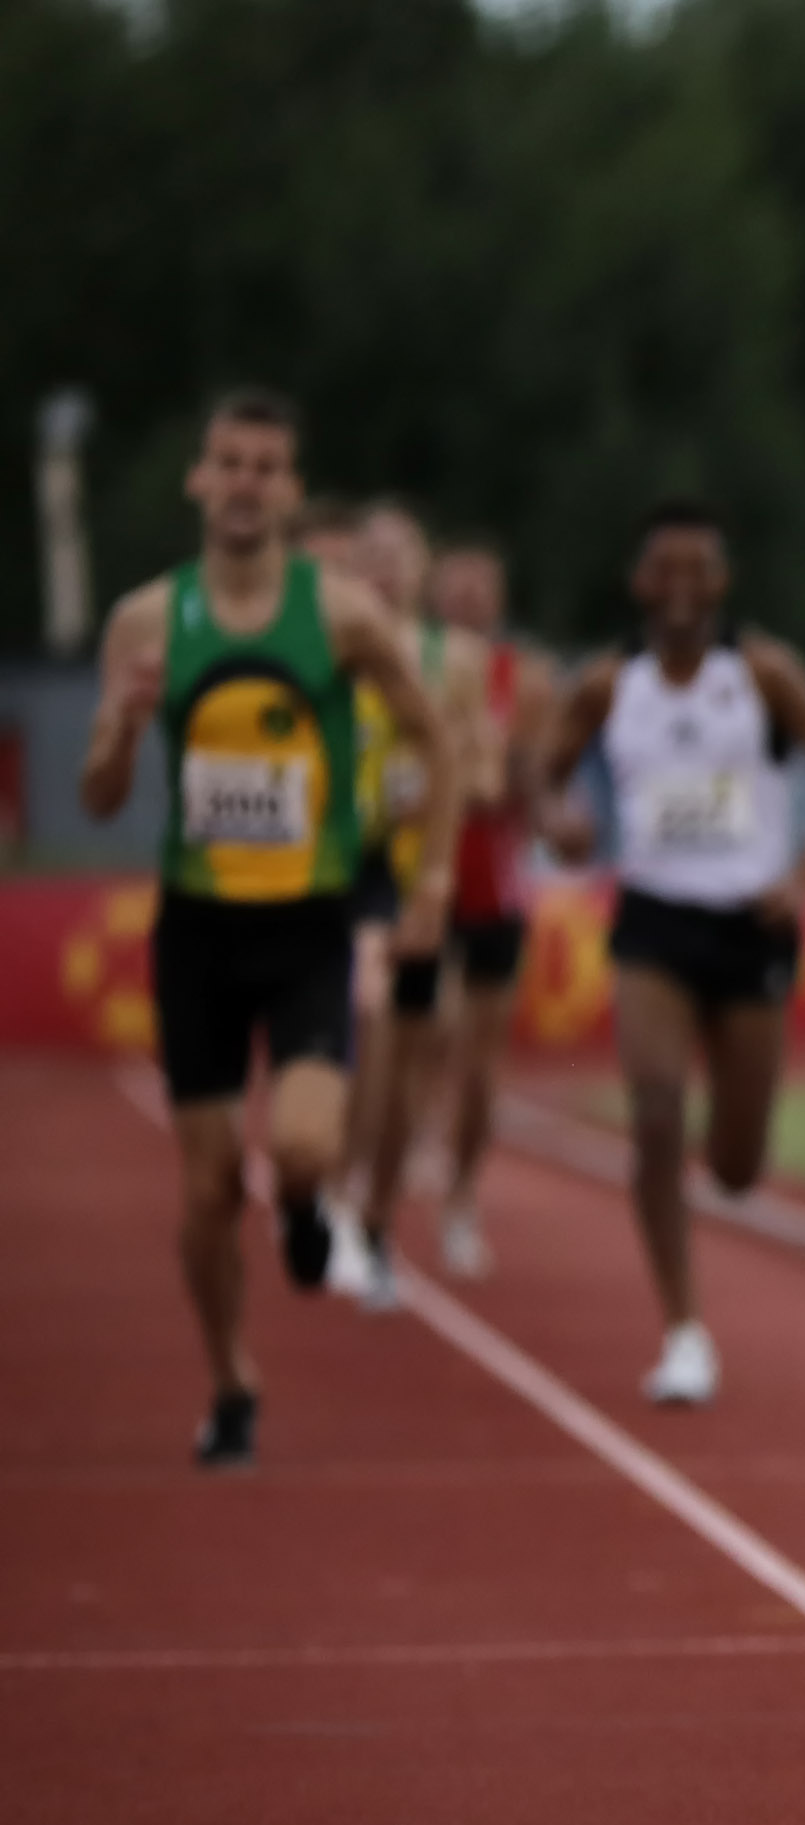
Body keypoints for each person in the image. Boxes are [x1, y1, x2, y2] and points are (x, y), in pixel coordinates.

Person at [78, 391, 455, 1465]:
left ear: (291, 490)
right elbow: (101, 795)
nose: (244, 483)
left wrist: (426, 889)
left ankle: (303, 1207)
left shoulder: (340, 616)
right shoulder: (149, 619)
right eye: (227, 463)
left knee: (297, 1147)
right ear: (200, 479)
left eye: (265, 467)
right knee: (202, 1186)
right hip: (196, 930)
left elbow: (437, 743)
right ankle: (232, 1376)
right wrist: (118, 726)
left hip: (305, 924)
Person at [539, 503, 805, 1406]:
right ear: (640, 583)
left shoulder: (762, 674)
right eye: (664, 571)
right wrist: (557, 818)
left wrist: (802, 880)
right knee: (652, 1114)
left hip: (751, 925)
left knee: (733, 1165)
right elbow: (546, 767)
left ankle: (724, 1174)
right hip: (652, 922)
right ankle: (683, 1330)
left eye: (699, 572)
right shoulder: (611, 684)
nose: (680, 590)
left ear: (720, 584)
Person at [322, 499, 491, 1306]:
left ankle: (377, 1220)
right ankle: (339, 1192)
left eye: (401, 552)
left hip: (423, 869)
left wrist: (446, 778)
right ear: (352, 567)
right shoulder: (328, 645)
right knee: (372, 1017)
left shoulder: (450, 657)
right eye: (372, 552)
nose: (386, 567)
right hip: (349, 868)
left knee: (422, 1049)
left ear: (423, 568)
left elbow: (478, 764)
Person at [427, 539, 582, 1277]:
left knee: (481, 1067)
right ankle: (385, 1165)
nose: (466, 601)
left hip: (492, 885)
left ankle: (460, 1200)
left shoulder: (526, 679)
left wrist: (526, 778)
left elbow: (539, 778)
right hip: (415, 879)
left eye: (479, 590)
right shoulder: (400, 662)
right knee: (426, 1033)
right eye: (455, 588)